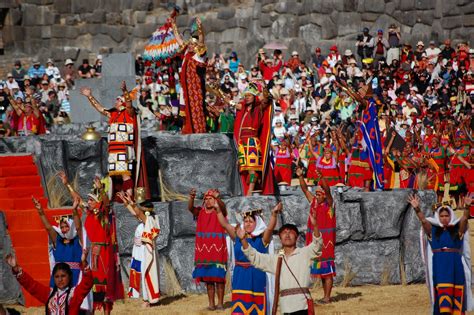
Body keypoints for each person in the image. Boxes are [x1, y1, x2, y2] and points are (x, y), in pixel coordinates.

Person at [62, 175, 124, 313]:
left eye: (91, 200)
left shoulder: (104, 215)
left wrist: (101, 189)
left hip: (103, 254)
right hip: (90, 253)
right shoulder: (89, 213)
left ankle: (106, 312)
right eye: (89, 200)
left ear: (98, 202)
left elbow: (107, 203)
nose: (88, 202)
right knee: (91, 284)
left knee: (104, 285)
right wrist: (68, 185)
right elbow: (77, 199)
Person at [240, 210, 322, 314]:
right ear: (280, 238)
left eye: (291, 232)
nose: (287, 235)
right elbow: (256, 258)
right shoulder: (276, 259)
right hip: (285, 307)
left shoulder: (305, 253)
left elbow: (317, 245)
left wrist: (315, 226)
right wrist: (243, 240)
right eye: (284, 233)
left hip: (302, 305)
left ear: (296, 237)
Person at [80, 81, 149, 198]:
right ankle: (123, 196)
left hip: (124, 148)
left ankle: (129, 197)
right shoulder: (112, 114)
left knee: (125, 174)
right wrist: (89, 96)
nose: (116, 102)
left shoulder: (129, 113)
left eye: (118, 100)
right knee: (117, 175)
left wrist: (125, 91)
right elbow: (100, 108)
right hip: (113, 149)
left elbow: (129, 104)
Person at [408, 194, 473, 314]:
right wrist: (417, 209)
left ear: (450, 216)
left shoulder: (457, 230)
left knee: (456, 293)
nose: (444, 218)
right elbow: (423, 220)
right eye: (441, 216)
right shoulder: (433, 230)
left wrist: (467, 207)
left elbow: (464, 219)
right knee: (442, 294)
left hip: (455, 265)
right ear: (438, 216)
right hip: (440, 265)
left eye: (446, 215)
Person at [216, 202, 282, 314]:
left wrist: (274, 214)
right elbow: (224, 225)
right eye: (245, 221)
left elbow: (270, 228)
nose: (248, 224)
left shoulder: (262, 239)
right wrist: (217, 209)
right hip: (240, 275)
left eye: (251, 221)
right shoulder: (237, 236)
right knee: (240, 306)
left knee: (256, 305)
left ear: (257, 223)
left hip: (256, 275)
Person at [5, 249, 92, 315]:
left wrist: (84, 263)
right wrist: (16, 269)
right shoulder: (49, 294)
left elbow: (87, 284)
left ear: (69, 277)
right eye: (57, 277)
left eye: (63, 276)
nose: (60, 279)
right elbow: (32, 286)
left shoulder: (75, 294)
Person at [297, 167, 335, 304]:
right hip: (314, 242)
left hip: (326, 243)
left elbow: (328, 191)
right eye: (317, 194)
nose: (317, 196)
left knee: (327, 271)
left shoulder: (329, 205)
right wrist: (300, 176)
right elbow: (305, 190)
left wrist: (322, 178)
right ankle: (322, 296)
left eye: (320, 194)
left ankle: (327, 296)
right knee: (319, 270)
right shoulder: (313, 202)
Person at [32, 189, 83, 289]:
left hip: (75, 277)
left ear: (71, 226)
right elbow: (48, 228)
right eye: (62, 227)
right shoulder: (58, 240)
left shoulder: (78, 240)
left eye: (66, 226)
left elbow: (78, 227)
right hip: (58, 278)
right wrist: (40, 211)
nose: (64, 229)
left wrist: (74, 211)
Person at [117, 192, 161, 306]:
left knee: (145, 274)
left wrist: (132, 203)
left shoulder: (151, 220)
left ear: (146, 211)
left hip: (146, 251)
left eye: (142, 209)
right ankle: (142, 296)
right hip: (138, 251)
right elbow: (135, 213)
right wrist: (126, 202)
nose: (139, 212)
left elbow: (138, 213)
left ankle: (147, 300)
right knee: (138, 273)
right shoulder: (144, 220)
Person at [188, 188, 228, 310]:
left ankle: (220, 303)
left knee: (219, 278)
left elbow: (223, 208)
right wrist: (191, 198)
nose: (208, 201)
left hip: (218, 248)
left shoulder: (219, 211)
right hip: (204, 249)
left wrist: (218, 199)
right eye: (206, 199)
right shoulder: (200, 212)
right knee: (208, 279)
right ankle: (211, 304)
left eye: (211, 199)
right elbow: (190, 208)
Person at [234, 83, 274, 196]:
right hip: (242, 143)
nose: (246, 97)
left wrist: (264, 90)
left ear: (254, 97)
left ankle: (250, 193)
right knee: (244, 169)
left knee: (252, 170)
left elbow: (266, 99)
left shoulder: (259, 108)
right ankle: (251, 189)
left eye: (249, 95)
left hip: (252, 142)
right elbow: (232, 104)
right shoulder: (243, 108)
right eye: (245, 95)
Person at [171, 16, 208, 134]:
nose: (191, 45)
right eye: (190, 44)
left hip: (195, 92)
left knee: (195, 113)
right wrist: (173, 26)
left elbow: (201, 41)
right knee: (184, 114)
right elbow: (179, 41)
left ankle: (198, 133)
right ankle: (185, 131)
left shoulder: (199, 56)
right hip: (184, 89)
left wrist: (200, 29)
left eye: (193, 44)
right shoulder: (187, 53)